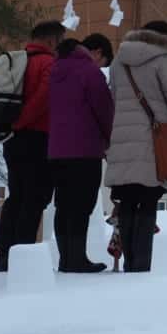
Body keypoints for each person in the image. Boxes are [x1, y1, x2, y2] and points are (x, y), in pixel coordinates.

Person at [105, 21, 167, 272]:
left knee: (128, 201)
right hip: (153, 141)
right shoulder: (163, 59)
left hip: (121, 141)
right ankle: (142, 265)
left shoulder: (118, 62)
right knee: (148, 202)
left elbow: (113, 99)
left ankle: (130, 262)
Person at [0, 21, 64, 273]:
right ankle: (21, 256)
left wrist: (12, 126)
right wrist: (22, 122)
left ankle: (5, 254)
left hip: (12, 140)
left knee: (17, 195)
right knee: (35, 198)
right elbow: (45, 98)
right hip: (37, 137)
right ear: (52, 41)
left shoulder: (16, 62)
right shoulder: (48, 64)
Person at [48, 38, 114, 273]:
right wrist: (109, 141)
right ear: (94, 52)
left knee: (63, 205)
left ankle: (66, 258)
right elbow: (104, 111)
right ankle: (77, 259)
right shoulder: (89, 72)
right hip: (85, 149)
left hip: (56, 151)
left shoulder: (53, 71)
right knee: (82, 205)